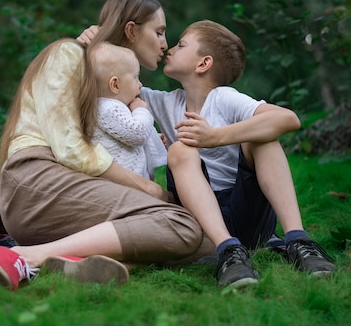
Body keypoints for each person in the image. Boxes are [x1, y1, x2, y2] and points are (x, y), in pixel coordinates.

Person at [0, 0, 203, 291]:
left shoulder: (122, 92)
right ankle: (29, 256)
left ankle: (80, 262)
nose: (165, 43)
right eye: (159, 32)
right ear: (131, 30)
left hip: (68, 196)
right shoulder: (68, 53)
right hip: (37, 181)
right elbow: (72, 150)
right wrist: (149, 189)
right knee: (181, 225)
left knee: (203, 243)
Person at [139, 20, 337, 289]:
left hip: (247, 212)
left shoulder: (223, 98)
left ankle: (298, 241)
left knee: (263, 139)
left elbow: (287, 119)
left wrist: (214, 137)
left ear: (203, 64)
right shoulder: (165, 103)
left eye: (181, 45)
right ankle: (229, 251)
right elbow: (111, 79)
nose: (170, 49)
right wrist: (93, 41)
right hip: (200, 218)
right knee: (179, 149)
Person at [90, 42, 166, 179]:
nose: (140, 84)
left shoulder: (112, 108)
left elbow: (127, 136)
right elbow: (137, 133)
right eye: (136, 77)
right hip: (122, 185)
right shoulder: (107, 108)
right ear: (115, 85)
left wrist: (154, 137)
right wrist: (141, 110)